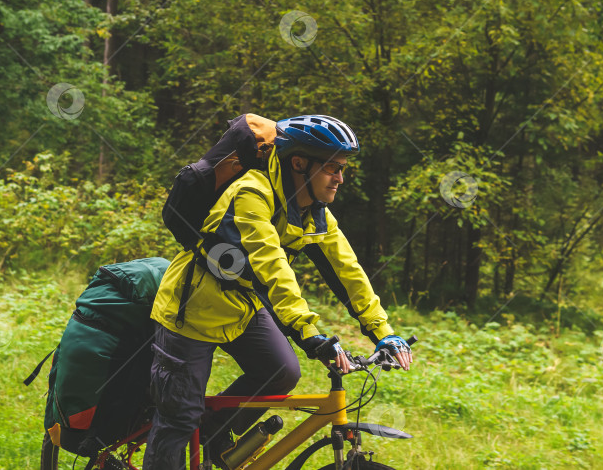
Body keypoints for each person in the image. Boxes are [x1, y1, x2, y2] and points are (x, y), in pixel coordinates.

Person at [144, 115, 413, 470]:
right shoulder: (252, 192)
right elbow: (272, 268)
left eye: (342, 168)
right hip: (191, 311)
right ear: (299, 163)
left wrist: (383, 332)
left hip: (241, 305)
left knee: (281, 373)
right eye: (332, 167)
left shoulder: (313, 213)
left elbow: (348, 271)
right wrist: (309, 333)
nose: (340, 178)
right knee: (179, 419)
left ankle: (212, 436)